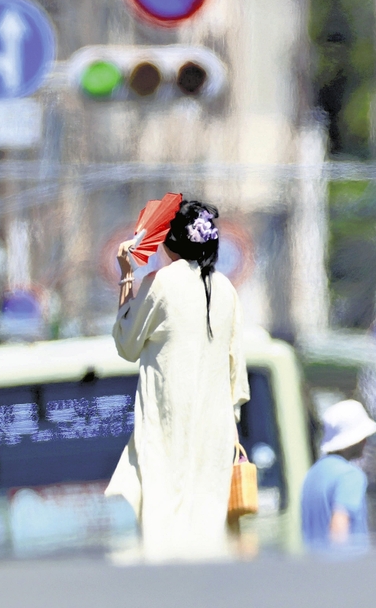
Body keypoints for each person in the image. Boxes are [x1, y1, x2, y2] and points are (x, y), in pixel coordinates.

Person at [104, 199, 250, 561]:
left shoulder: (162, 282)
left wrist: (127, 274)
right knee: (209, 539)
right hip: (215, 439)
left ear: (170, 242)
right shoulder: (225, 290)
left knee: (161, 536)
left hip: (167, 432)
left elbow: (127, 343)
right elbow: (237, 378)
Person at [300, 400, 376, 552]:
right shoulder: (350, 475)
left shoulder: (312, 474)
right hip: (345, 570)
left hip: (312, 569)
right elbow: (339, 527)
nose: (366, 441)